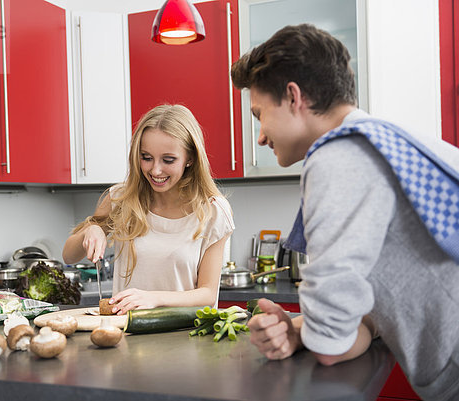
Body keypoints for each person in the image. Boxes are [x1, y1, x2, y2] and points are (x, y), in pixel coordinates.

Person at [230, 23, 459, 401]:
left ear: (293, 97)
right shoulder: (384, 139)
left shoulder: (338, 158)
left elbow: (331, 345)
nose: (260, 136)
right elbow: (364, 318)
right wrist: (306, 328)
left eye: (259, 115)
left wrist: (304, 331)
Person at [62, 104, 234, 316]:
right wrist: (92, 230)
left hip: (186, 338)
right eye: (146, 157)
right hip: (127, 336)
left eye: (168, 160)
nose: (155, 170)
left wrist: (153, 298)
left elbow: (207, 294)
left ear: (190, 158)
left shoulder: (213, 212)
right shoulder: (121, 199)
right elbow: (69, 256)